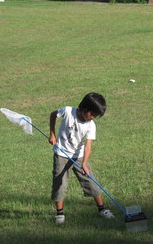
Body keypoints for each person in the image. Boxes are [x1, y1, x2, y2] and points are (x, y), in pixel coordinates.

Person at [49, 92, 115, 225]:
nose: (93, 118)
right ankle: (60, 214)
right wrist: (52, 134)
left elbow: (88, 146)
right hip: (61, 154)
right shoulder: (67, 111)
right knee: (59, 183)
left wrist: (84, 163)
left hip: (78, 156)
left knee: (91, 181)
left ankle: (102, 210)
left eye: (96, 116)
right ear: (85, 109)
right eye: (92, 114)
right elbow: (53, 114)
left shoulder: (91, 125)